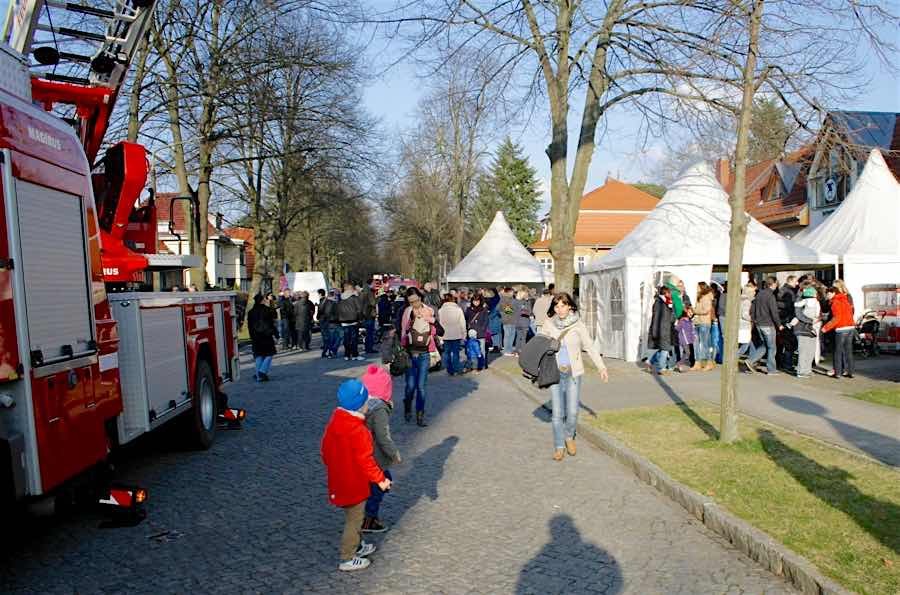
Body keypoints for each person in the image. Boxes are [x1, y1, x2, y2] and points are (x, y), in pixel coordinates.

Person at [320, 379, 391, 572]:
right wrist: (381, 480)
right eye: (366, 401)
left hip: (339, 479)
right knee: (355, 520)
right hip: (354, 483)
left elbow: (325, 450)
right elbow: (367, 461)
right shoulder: (360, 431)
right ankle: (348, 556)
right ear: (360, 405)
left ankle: (358, 546)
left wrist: (336, 467)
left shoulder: (336, 421)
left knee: (353, 516)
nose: (368, 404)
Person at [540, 292, 608, 461]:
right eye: (556, 306)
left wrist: (601, 367)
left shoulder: (578, 325)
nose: (560, 309)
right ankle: (559, 446)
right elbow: (539, 344)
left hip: (573, 374)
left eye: (563, 305)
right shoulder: (549, 324)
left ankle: (569, 436)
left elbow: (590, 347)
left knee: (572, 412)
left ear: (570, 306)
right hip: (555, 373)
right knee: (557, 414)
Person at [360, 365, 401, 533]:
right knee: (382, 482)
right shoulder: (380, 409)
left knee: (373, 484)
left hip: (362, 454)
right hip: (374, 456)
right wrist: (394, 454)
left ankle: (366, 514)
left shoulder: (361, 403)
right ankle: (369, 518)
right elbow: (383, 436)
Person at [399, 287, 438, 427]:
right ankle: (407, 405)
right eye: (411, 302)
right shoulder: (407, 312)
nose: (415, 304)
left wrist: (428, 319)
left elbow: (436, 330)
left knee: (421, 387)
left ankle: (420, 415)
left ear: (420, 297)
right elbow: (403, 332)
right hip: (410, 354)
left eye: (416, 300)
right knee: (410, 386)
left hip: (425, 353)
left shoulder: (429, 310)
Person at [743, 276, 781, 375]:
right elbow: (774, 312)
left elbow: (752, 309)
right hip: (768, 324)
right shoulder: (770, 296)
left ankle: (750, 360)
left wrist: (755, 320)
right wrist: (779, 324)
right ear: (773, 284)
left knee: (765, 345)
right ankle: (771, 369)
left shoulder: (759, 294)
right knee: (772, 347)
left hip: (759, 323)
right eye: (776, 284)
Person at [823, 281, 855, 379]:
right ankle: (850, 372)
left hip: (841, 328)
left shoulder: (835, 302)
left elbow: (837, 318)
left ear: (833, 293)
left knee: (837, 351)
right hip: (850, 327)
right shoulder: (845, 299)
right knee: (848, 350)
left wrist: (825, 328)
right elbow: (851, 312)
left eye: (828, 294)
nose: (827, 296)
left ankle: (838, 373)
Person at [790, 286, 821, 379]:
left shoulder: (814, 302)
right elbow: (799, 315)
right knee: (804, 351)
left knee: (810, 351)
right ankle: (801, 371)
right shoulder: (801, 301)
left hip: (811, 330)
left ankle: (807, 370)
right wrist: (811, 321)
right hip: (802, 329)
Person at [247, 293, 277, 382]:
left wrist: (251, 336)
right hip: (266, 335)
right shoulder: (267, 310)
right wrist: (275, 333)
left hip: (256, 336)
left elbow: (249, 326)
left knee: (258, 355)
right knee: (269, 354)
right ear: (262, 301)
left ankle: (259, 376)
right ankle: (262, 371)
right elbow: (272, 322)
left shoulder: (251, 312)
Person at [646, 286, 674, 374]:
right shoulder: (659, 303)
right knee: (665, 349)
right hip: (661, 329)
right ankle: (661, 368)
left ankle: (650, 362)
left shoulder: (668, 302)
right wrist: (654, 331)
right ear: (664, 293)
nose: (670, 294)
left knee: (663, 349)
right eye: (669, 293)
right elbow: (656, 318)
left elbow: (671, 316)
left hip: (667, 329)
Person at [438, 293, 467, 376]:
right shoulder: (458, 309)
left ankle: (450, 369)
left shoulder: (441, 310)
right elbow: (462, 322)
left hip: (445, 334)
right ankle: (456, 369)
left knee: (446, 353)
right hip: (456, 334)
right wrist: (464, 334)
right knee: (455, 353)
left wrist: (439, 337)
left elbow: (439, 324)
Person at [692, 282, 716, 371]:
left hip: (704, 322)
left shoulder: (706, 297)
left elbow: (706, 310)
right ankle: (697, 362)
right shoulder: (698, 297)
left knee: (704, 343)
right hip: (697, 322)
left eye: (698, 286)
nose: (696, 288)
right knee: (696, 343)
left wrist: (694, 311)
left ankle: (709, 362)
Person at [777, 275, 799, 371]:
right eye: (795, 281)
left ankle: (780, 362)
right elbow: (789, 307)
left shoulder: (781, 290)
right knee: (789, 344)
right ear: (790, 281)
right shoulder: (789, 292)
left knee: (781, 343)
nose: (797, 283)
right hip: (787, 320)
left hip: (781, 319)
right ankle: (787, 364)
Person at [338, 283, 364, 361]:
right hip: (353, 320)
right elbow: (359, 309)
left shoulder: (340, 298)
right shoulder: (354, 297)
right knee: (354, 339)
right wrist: (360, 318)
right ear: (350, 289)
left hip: (343, 320)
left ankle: (347, 354)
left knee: (346, 339)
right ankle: (355, 355)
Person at [465, 293, 490, 371]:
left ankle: (481, 365)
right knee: (471, 350)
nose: (476, 302)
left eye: (477, 301)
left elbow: (486, 320)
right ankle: (473, 364)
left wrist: (482, 329)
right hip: (471, 332)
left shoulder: (484, 309)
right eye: (474, 301)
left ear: (480, 301)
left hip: (481, 332)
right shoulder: (469, 309)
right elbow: (466, 320)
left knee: (482, 349)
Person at [359, 280, 379, 354]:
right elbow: (373, 302)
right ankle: (369, 348)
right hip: (369, 314)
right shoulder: (369, 292)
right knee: (370, 333)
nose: (375, 284)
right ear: (370, 284)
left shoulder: (363, 291)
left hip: (365, 314)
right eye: (374, 283)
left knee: (368, 333)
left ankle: (368, 347)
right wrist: (378, 298)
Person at [674, 308, 696, 372]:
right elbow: (677, 328)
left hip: (689, 340)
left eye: (692, 313)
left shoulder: (690, 321)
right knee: (687, 353)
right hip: (683, 340)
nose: (691, 314)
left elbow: (692, 330)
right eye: (689, 312)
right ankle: (679, 364)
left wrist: (694, 336)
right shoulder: (682, 320)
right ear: (686, 312)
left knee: (686, 353)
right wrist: (677, 323)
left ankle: (679, 365)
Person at [498, 288, 518, 356]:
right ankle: (506, 350)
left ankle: (509, 349)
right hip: (507, 320)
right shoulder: (503, 299)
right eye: (512, 292)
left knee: (512, 336)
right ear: (507, 292)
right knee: (507, 335)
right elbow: (508, 311)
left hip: (513, 320)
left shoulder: (512, 299)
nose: (513, 293)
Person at [738, 283, 756, 358]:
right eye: (754, 291)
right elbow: (745, 315)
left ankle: (753, 358)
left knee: (750, 343)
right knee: (746, 344)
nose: (755, 293)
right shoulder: (747, 302)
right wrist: (753, 319)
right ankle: (735, 355)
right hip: (744, 326)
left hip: (740, 324)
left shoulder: (740, 299)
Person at [513, 289, 532, 354]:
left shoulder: (514, 301)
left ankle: (517, 350)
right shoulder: (526, 302)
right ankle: (523, 351)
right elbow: (529, 312)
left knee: (518, 337)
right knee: (524, 337)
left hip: (516, 322)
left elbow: (507, 311)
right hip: (524, 321)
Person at [484, 288, 502, 353]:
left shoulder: (493, 301)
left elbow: (497, 310)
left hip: (494, 319)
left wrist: (489, 315)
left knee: (494, 333)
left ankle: (496, 347)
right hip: (496, 319)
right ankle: (496, 347)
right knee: (495, 333)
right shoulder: (497, 299)